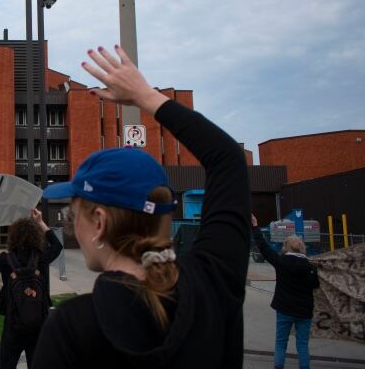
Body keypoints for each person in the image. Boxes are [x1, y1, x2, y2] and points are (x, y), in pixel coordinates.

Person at [32, 45, 251, 368]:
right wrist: (145, 95)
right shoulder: (213, 278)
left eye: (73, 215)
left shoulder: (72, 327)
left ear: (100, 222)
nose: (72, 224)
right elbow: (228, 160)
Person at [0, 209, 63, 369]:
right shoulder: (41, 258)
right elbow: (57, 246)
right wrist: (41, 222)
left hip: (13, 325)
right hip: (39, 324)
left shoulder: (5, 260)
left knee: (6, 365)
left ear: (13, 237)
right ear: (35, 236)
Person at [251, 214, 319, 369]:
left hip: (284, 309)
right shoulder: (311, 268)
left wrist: (255, 226)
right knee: (302, 344)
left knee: (281, 342)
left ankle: (278, 366)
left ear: (286, 247)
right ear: (302, 248)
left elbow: (264, 248)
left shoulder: (281, 262)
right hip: (304, 311)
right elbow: (315, 285)